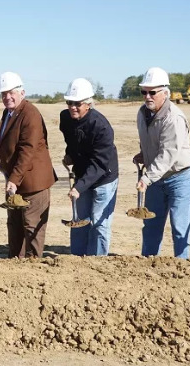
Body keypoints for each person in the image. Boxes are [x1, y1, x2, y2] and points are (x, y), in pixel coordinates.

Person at [134, 67, 190, 259]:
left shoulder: (173, 118)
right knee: (151, 225)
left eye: (152, 92)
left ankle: (183, 266)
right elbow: (152, 142)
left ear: (165, 93)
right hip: (157, 178)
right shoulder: (142, 113)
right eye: (144, 92)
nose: (147, 96)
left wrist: (146, 178)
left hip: (180, 177)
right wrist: (144, 154)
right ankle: (148, 262)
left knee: (180, 226)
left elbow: (168, 154)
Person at [0, 72, 56, 258]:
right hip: (15, 181)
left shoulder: (30, 114)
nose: (7, 97)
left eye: (11, 92)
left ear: (22, 92)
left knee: (32, 226)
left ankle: (35, 265)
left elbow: (27, 150)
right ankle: (16, 264)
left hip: (32, 182)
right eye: (4, 94)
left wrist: (14, 179)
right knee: (15, 227)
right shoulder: (9, 113)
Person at [59, 78, 119, 256]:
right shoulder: (65, 118)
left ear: (88, 104)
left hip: (104, 177)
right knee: (79, 221)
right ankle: (78, 260)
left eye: (77, 104)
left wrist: (79, 187)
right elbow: (71, 139)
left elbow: (99, 163)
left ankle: (97, 261)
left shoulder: (101, 126)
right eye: (70, 102)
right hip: (82, 174)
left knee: (99, 223)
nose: (73, 107)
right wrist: (70, 154)